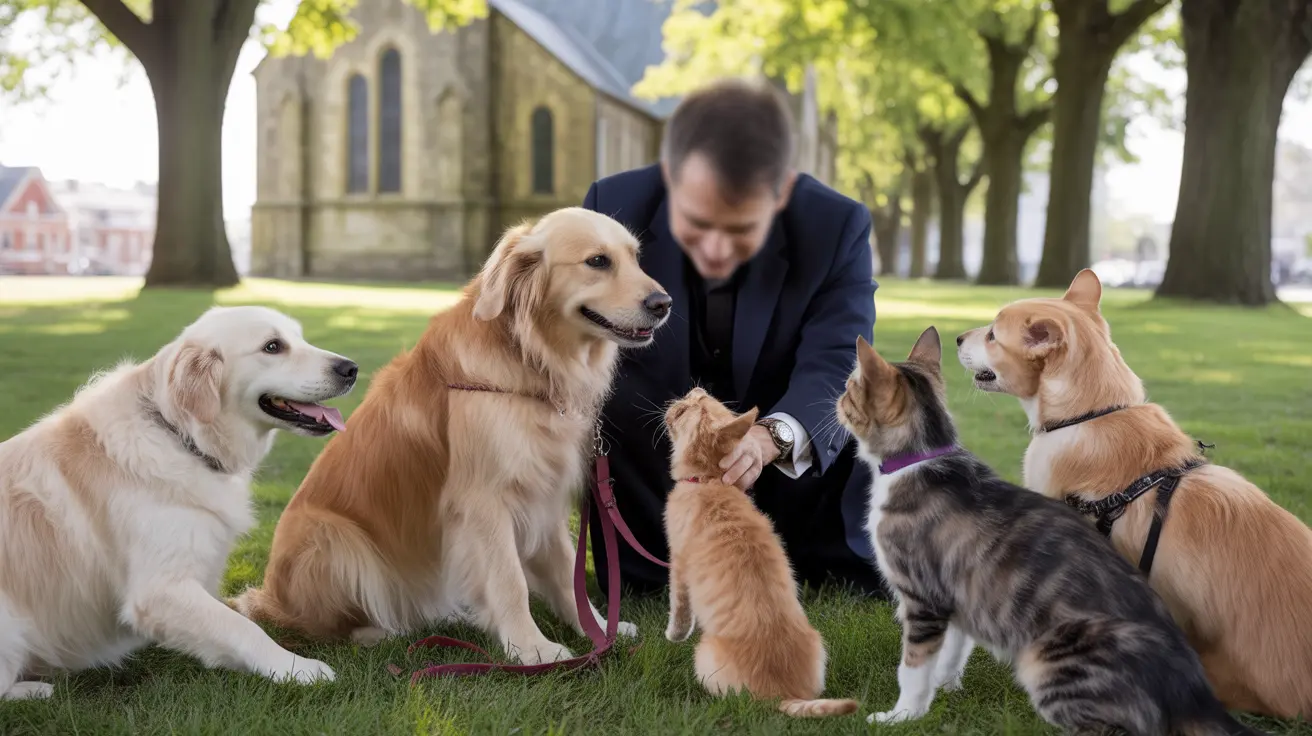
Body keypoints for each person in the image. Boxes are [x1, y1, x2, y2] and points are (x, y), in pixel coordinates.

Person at [581, 77, 886, 598]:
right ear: (671, 177)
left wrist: (773, 437)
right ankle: (654, 573)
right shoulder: (612, 205)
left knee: (870, 394)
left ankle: (817, 563)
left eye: (742, 228)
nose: (717, 250)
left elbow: (837, 357)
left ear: (781, 191)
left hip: (794, 494)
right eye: (698, 224)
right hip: (653, 481)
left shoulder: (838, 224)